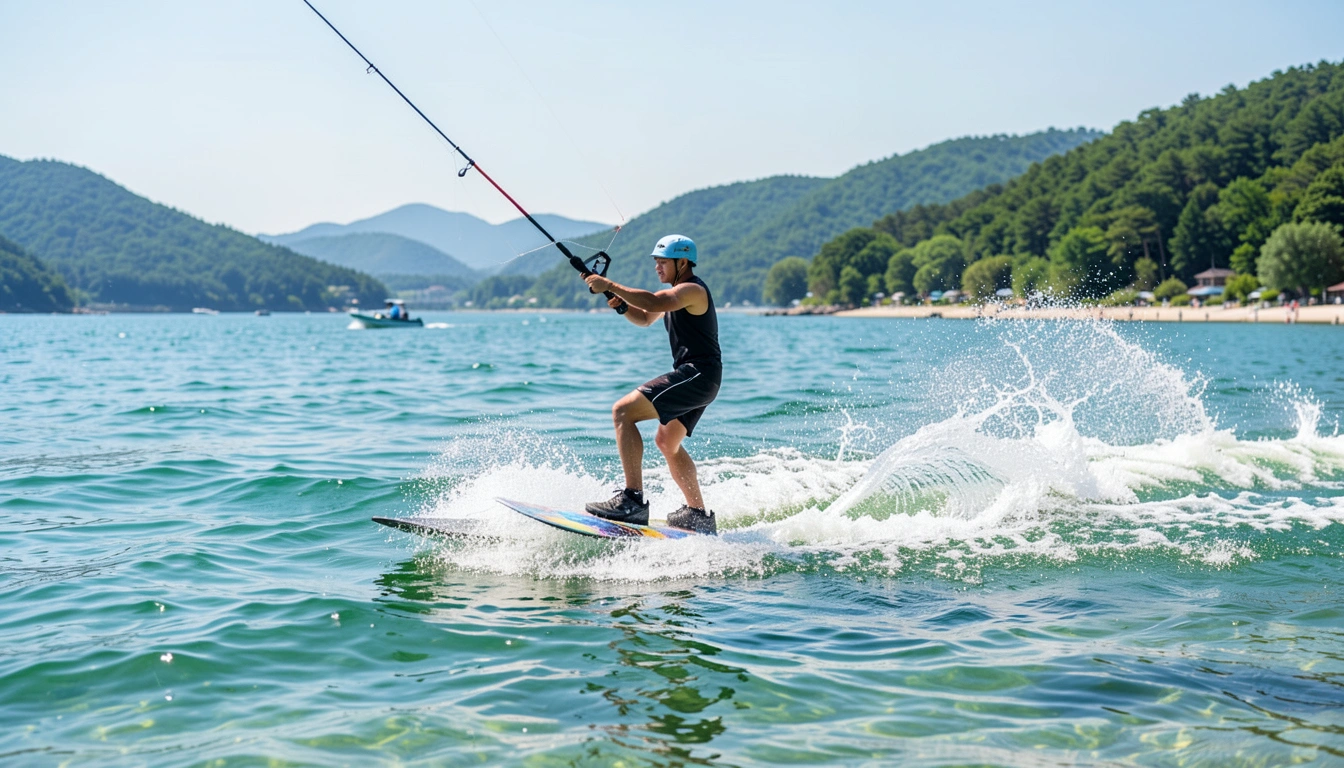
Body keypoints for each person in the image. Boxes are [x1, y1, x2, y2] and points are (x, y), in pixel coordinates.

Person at [581, 234, 721, 534]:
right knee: (667, 442)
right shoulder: (674, 294)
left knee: (622, 411)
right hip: (702, 378)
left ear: (682, 262)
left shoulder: (692, 290)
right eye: (656, 262)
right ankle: (697, 514)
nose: (657, 267)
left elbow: (655, 301)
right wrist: (621, 305)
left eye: (663, 262)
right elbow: (645, 317)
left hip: (697, 374)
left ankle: (631, 501)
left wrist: (609, 284)